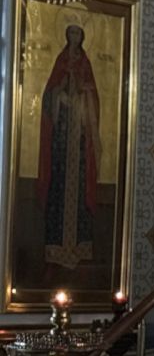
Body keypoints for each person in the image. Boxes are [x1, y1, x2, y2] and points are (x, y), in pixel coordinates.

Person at [39, 20, 101, 271]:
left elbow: (94, 95)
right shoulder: (61, 60)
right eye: (71, 32)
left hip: (81, 136)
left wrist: (86, 92)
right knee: (60, 185)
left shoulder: (85, 62)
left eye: (78, 32)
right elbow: (49, 93)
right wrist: (59, 94)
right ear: (66, 35)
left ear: (83, 36)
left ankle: (80, 248)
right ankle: (55, 249)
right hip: (62, 136)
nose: (75, 36)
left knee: (78, 187)